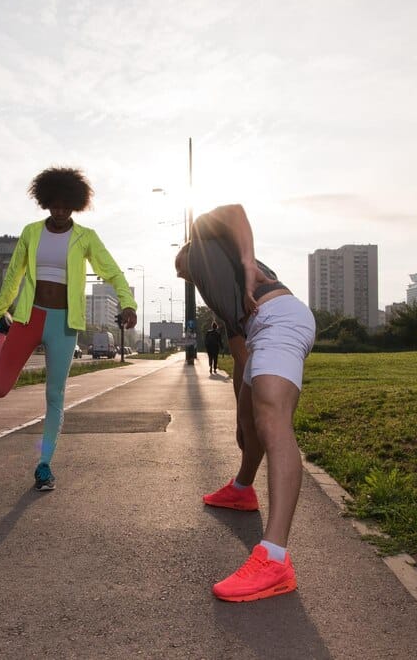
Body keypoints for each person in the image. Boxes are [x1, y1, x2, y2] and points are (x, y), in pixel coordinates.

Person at [174, 203, 315, 602]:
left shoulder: (203, 243)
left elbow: (234, 211)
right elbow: (242, 353)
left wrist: (249, 263)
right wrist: (241, 406)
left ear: (190, 252)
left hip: (280, 319)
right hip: (263, 328)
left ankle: (273, 560)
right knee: (253, 426)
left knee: (273, 424)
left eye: (182, 269)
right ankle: (242, 488)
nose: (184, 276)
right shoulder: (223, 289)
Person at [0, 167, 137, 491]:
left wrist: (128, 304)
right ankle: (1, 335)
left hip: (64, 324)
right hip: (29, 318)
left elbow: (112, 272)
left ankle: (44, 465)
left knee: (54, 396)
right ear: (45, 203)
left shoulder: (86, 238)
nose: (58, 212)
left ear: (74, 206)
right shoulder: (31, 233)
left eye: (64, 206)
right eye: (53, 205)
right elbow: (14, 275)